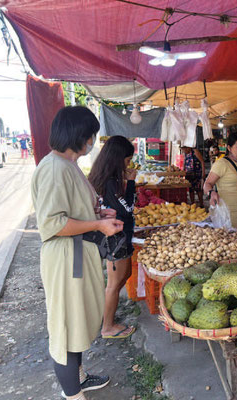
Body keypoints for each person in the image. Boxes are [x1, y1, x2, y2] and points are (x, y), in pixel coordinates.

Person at [31, 106, 124, 400]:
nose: (92, 141)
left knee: (79, 318)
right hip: (65, 256)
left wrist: (98, 212)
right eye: (91, 135)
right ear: (80, 135)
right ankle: (72, 394)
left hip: (78, 253)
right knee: (67, 325)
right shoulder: (54, 168)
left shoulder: (68, 165)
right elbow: (52, 223)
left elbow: (75, 207)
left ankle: (79, 377)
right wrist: (97, 222)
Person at [88, 136, 137, 340]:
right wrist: (132, 182)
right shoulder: (110, 181)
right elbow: (127, 209)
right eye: (126, 161)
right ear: (118, 159)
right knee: (114, 284)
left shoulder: (103, 176)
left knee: (121, 278)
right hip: (115, 238)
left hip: (117, 236)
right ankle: (107, 327)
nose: (128, 164)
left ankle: (106, 318)